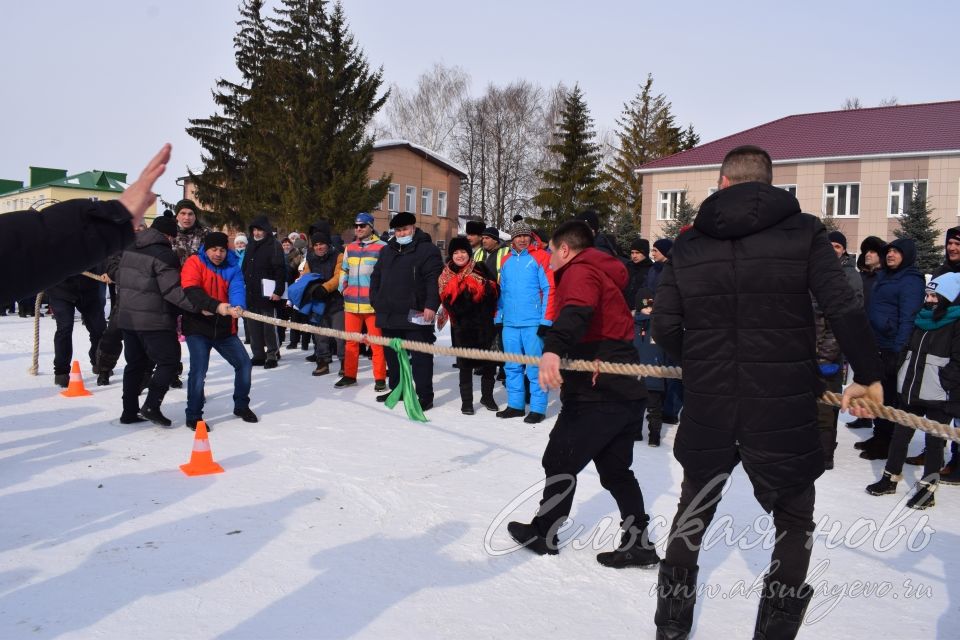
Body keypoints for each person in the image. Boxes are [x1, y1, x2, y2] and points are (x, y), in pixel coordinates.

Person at [650, 145, 883, 639]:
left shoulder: (688, 244)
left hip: (712, 396)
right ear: (770, 183)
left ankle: (670, 628)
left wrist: (699, 361)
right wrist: (868, 371)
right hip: (784, 398)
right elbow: (842, 305)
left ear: (723, 182)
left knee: (692, 510)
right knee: (794, 521)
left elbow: (666, 325)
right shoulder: (804, 231)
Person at [508, 220, 658, 568]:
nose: (547, 258)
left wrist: (552, 349)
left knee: (560, 460)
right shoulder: (601, 271)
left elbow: (577, 311)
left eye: (549, 251)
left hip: (598, 387)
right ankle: (639, 543)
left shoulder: (580, 271)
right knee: (616, 470)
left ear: (563, 249)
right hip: (621, 385)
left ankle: (545, 531)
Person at [0, 144, 171, 307]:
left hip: (89, 286)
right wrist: (108, 221)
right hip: (64, 289)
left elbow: (25, 246)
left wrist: (109, 222)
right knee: (65, 327)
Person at [865, 272, 960, 509]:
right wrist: (900, 372)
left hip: (939, 394)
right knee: (901, 433)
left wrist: (944, 381)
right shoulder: (920, 319)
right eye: (927, 295)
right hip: (911, 389)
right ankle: (890, 478)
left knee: (935, 440)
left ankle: (928, 489)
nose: (928, 300)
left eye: (933, 296)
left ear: (947, 297)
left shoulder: (956, 324)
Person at [115, 215, 199, 427]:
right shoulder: (164, 254)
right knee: (169, 361)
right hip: (154, 320)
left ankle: (129, 411)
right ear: (168, 235)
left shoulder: (130, 248)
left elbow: (117, 274)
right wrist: (199, 307)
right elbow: (172, 290)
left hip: (128, 318)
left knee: (134, 365)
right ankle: (152, 405)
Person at [180, 232, 257, 430]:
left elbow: (237, 288)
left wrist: (238, 306)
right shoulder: (194, 262)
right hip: (198, 327)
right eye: (214, 249)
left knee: (244, 365)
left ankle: (241, 405)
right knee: (199, 370)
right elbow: (191, 290)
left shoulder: (232, 267)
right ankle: (194, 415)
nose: (218, 253)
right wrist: (217, 306)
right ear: (207, 249)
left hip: (223, 329)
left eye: (222, 250)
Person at [369, 211, 443, 410]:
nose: (401, 234)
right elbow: (375, 278)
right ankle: (398, 389)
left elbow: (433, 281)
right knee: (393, 357)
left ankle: (424, 395)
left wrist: (430, 305)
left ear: (413, 228)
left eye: (404, 229)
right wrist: (376, 300)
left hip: (416, 313)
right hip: (389, 314)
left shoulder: (427, 250)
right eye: (398, 230)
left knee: (421, 357)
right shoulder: (387, 250)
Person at [859, 238, 925, 459]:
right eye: (889, 251)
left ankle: (887, 442)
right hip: (877, 343)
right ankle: (880, 435)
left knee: (890, 398)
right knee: (878, 393)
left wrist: (899, 350)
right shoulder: (885, 276)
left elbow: (908, 317)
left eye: (896, 252)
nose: (891, 255)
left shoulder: (911, 280)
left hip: (893, 347)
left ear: (906, 255)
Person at [495, 221, 555, 424]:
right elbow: (501, 291)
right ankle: (515, 405)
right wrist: (498, 316)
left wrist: (546, 320)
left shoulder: (542, 257)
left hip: (533, 323)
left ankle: (538, 408)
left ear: (530, 237)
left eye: (525, 235)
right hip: (510, 323)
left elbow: (549, 290)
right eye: (518, 236)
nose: (522, 239)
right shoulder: (505, 260)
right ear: (512, 239)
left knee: (535, 367)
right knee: (511, 366)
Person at [438, 237, 500, 414]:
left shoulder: (481, 268)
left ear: (469, 253)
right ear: (451, 255)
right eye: (456, 252)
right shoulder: (445, 275)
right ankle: (467, 401)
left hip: (484, 325)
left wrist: (485, 288)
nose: (459, 255)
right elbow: (447, 301)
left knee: (489, 364)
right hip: (462, 327)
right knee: (464, 365)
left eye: (463, 252)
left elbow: (496, 292)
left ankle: (487, 396)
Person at [336, 212, 387, 389]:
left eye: (362, 225)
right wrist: (343, 288)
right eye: (356, 225)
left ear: (371, 227)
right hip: (351, 303)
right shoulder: (350, 247)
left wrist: (380, 295)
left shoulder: (382, 247)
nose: (358, 229)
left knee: (376, 343)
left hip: (372, 304)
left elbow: (386, 275)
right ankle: (350, 375)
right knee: (351, 341)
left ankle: (380, 378)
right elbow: (344, 269)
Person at [242, 215, 286, 368]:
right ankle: (258, 354)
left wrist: (278, 291)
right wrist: (244, 283)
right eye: (254, 229)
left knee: (269, 326)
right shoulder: (250, 245)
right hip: (251, 292)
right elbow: (245, 267)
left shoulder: (274, 245)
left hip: (268, 293)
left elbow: (280, 270)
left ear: (266, 230)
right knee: (253, 326)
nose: (257, 233)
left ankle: (272, 354)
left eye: (259, 230)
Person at [300, 231, 345, 376]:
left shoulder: (338, 256)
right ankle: (323, 361)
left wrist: (325, 288)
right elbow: (305, 276)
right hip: (318, 303)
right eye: (316, 245)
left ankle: (345, 363)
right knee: (321, 335)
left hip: (336, 302)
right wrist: (310, 289)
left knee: (340, 336)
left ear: (328, 244)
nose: (319, 247)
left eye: (322, 244)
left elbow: (339, 276)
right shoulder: (310, 259)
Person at [172, 199, 208, 266]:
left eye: (190, 214)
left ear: (195, 216)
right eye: (183, 213)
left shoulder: (205, 233)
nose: (187, 217)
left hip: (198, 274)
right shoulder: (170, 233)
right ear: (177, 216)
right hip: (173, 274)